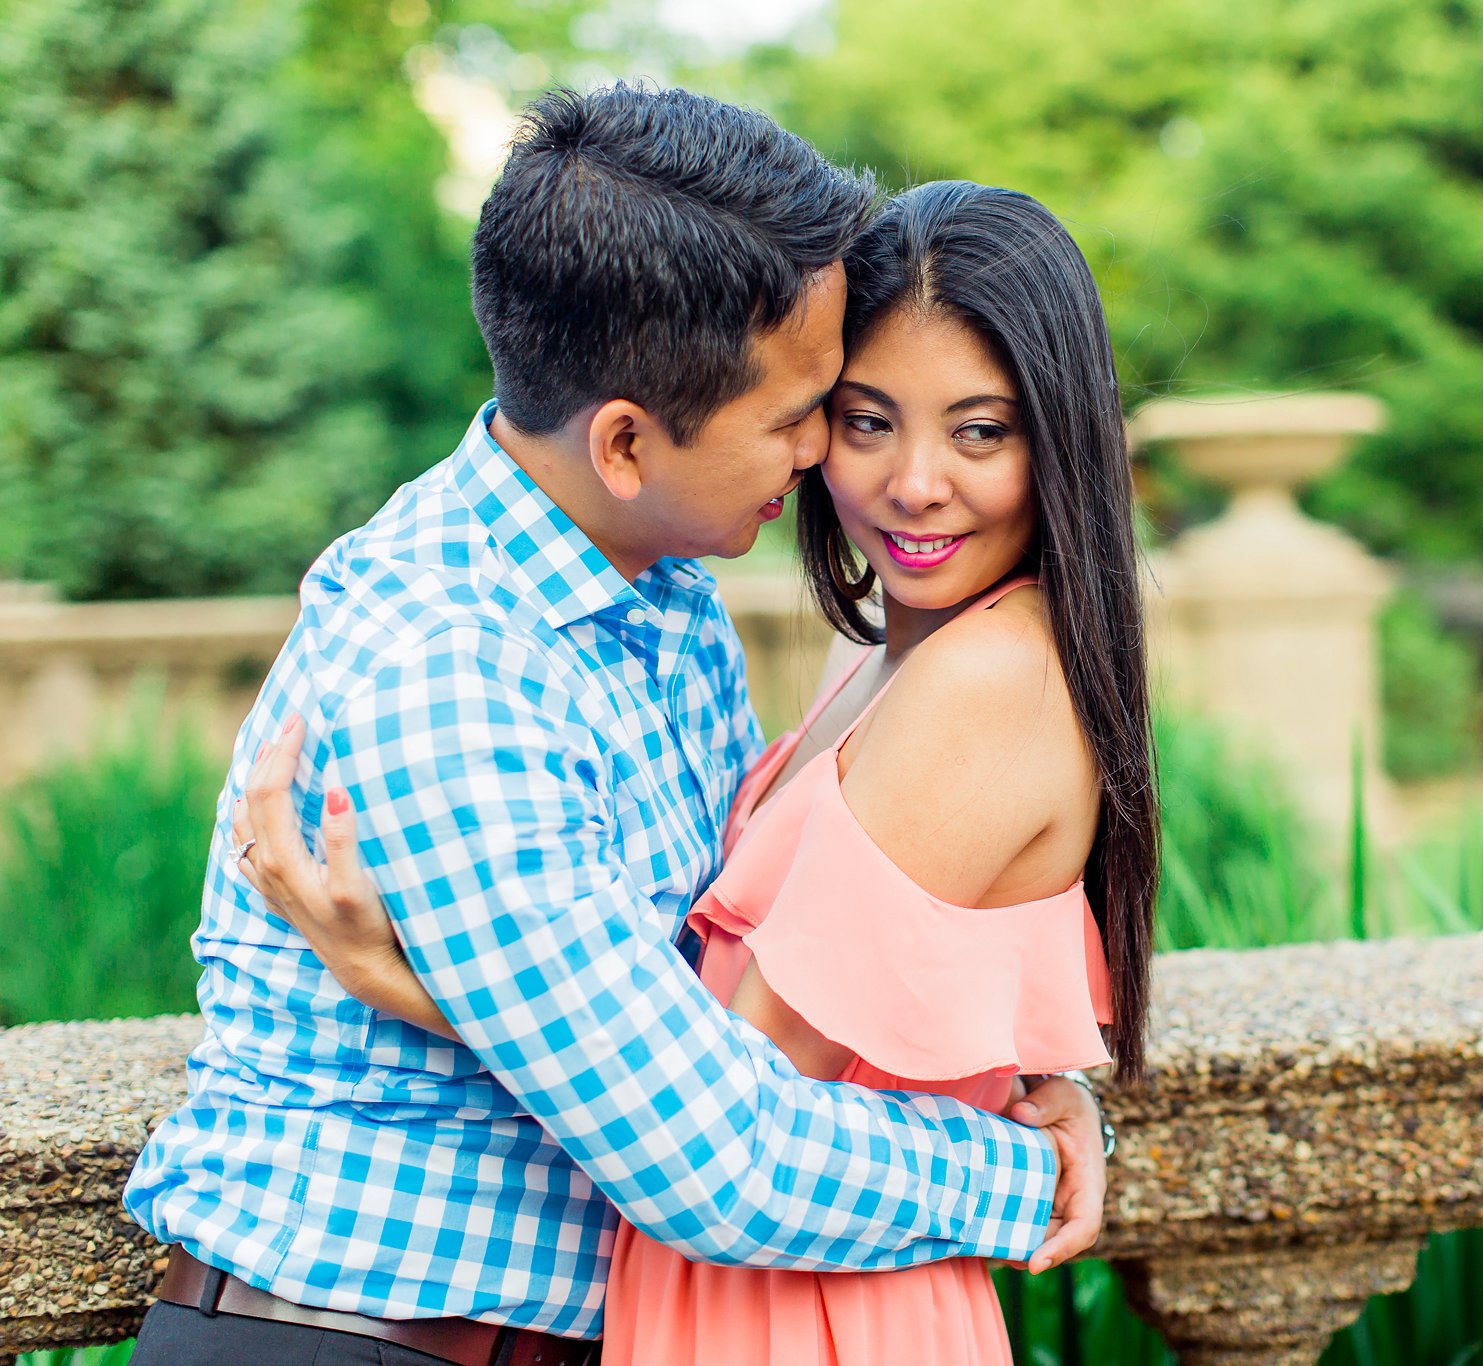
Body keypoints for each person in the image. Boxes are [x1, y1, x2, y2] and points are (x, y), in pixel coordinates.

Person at [124, 88, 1108, 1366]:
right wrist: (1016, 1174)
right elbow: (709, 1156)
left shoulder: (663, 590)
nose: (824, 454)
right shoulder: (454, 672)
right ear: (627, 442)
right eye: (804, 413)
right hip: (359, 1341)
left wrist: (431, 995)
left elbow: (682, 996)